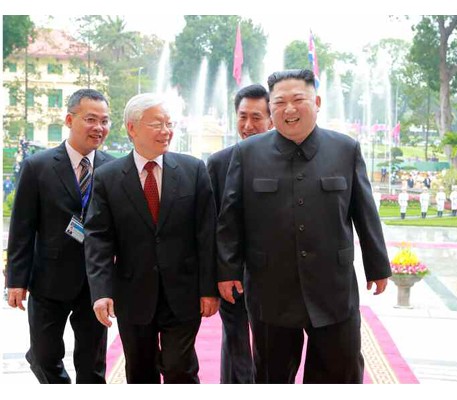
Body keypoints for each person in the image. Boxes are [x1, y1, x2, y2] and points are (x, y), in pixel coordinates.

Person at [216, 69, 391, 384]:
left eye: (298, 99)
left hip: (333, 287)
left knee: (340, 371)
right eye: (279, 102)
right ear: (271, 109)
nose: (289, 109)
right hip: (270, 288)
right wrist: (227, 271)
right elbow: (231, 216)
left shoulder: (345, 149)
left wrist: (377, 266)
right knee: (271, 375)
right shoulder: (248, 153)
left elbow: (364, 211)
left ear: (317, 102)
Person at [84, 93, 219, 384]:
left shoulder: (193, 170)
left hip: (183, 293)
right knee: (140, 371)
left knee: (179, 367)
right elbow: (98, 238)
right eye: (157, 124)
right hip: (132, 294)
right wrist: (101, 291)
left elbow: (207, 233)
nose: (166, 131)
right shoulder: (108, 177)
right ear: (132, 128)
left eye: (169, 124)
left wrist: (209, 289)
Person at [6, 88, 114, 383]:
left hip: (96, 282)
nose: (99, 127)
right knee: (43, 356)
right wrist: (16, 279)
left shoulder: (114, 168)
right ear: (69, 119)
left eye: (105, 121)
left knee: (92, 365)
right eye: (91, 119)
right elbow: (22, 227)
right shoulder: (38, 166)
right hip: (48, 279)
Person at [207, 84, 273, 384]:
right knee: (235, 346)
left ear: (271, 119)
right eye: (242, 116)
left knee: (270, 348)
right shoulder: (218, 163)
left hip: (273, 274)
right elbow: (211, 225)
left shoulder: (283, 161)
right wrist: (218, 273)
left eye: (256, 117)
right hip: (230, 274)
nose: (248, 125)